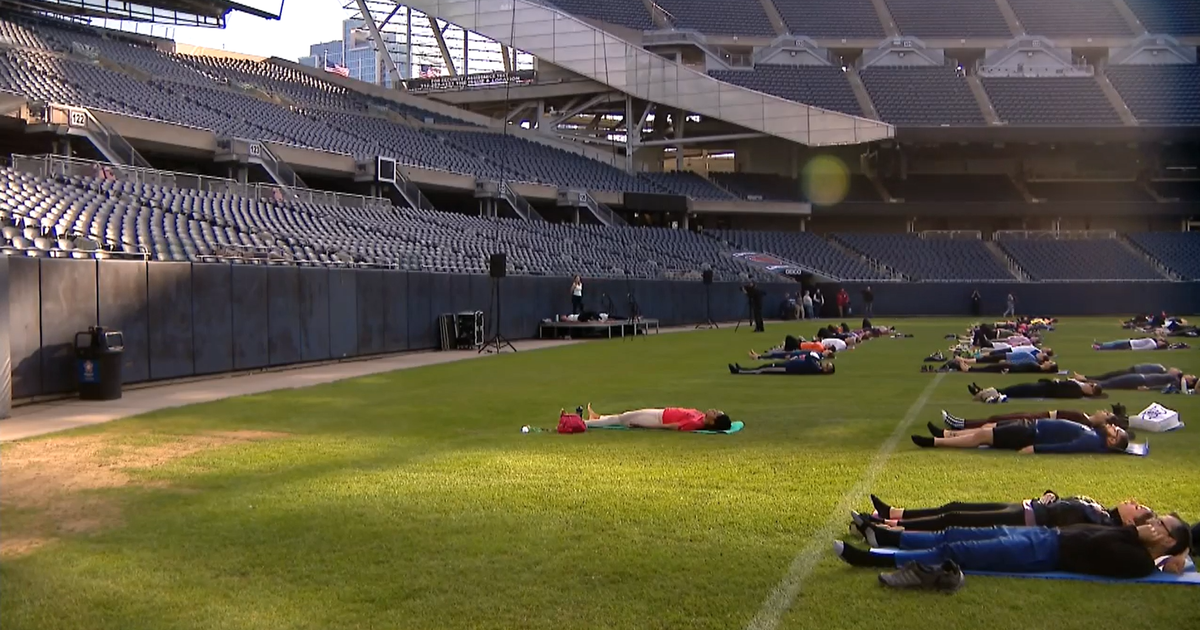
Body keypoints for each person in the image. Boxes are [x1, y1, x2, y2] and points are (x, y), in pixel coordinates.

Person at [834, 513, 1192, 579]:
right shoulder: (1134, 539)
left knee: (956, 553)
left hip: (1042, 553)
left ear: (1168, 540)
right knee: (954, 534)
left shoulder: (1138, 560)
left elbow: (1100, 547)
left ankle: (870, 559)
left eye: (1159, 525)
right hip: (1045, 536)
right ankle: (885, 536)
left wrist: (1137, 533)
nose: (1151, 523)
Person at [911, 417, 1130, 454]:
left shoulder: (1092, 440)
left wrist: (1035, 449)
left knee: (983, 435)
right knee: (989, 426)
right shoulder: (1096, 435)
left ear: (1112, 441)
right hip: (1033, 425)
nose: (1112, 426)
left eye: (1115, 430)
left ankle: (935, 442)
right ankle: (947, 434)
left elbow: (1065, 448)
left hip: (1031, 433)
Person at [581, 404, 732, 431]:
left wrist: (644, 426)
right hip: (660, 413)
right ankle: (598, 418)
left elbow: (670, 426)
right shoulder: (700, 417)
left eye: (716, 413)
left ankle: (585, 423)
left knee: (624, 419)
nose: (714, 410)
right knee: (624, 416)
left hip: (657, 419)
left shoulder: (695, 424)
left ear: (713, 421)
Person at [968, 378, 1104, 402]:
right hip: (1042, 388)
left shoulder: (1076, 392)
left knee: (1011, 391)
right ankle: (982, 391)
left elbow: (1057, 390)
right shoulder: (1077, 389)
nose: (1089, 385)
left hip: (1041, 390)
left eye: (1091, 386)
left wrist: (1052, 382)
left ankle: (981, 394)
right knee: (1013, 389)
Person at [729, 351, 835, 375]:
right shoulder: (817, 365)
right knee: (763, 367)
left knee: (762, 369)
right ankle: (741, 369)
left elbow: (809, 357)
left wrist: (813, 354)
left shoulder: (815, 368)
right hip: (787, 365)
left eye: (828, 366)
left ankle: (739, 371)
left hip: (786, 368)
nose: (826, 364)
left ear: (826, 370)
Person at [1094, 337, 1169, 351]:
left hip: (1131, 345)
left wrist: (1133, 349)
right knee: (1115, 343)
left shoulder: (1153, 344)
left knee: (1115, 346)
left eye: (1162, 341)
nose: (1160, 340)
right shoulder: (1153, 341)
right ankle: (1102, 344)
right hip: (1131, 341)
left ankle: (1100, 348)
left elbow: (1143, 348)